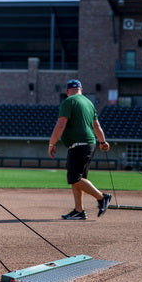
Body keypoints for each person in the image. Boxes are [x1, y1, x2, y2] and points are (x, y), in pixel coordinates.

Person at [48, 79, 112, 220]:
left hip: (79, 145)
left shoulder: (68, 101)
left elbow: (60, 124)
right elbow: (97, 126)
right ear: (81, 90)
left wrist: (52, 144)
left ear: (67, 91)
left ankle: (102, 197)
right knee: (79, 179)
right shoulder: (89, 103)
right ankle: (79, 210)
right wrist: (102, 141)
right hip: (90, 144)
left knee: (74, 178)